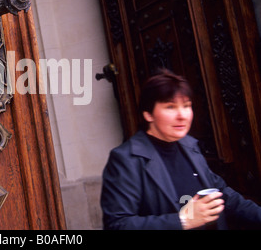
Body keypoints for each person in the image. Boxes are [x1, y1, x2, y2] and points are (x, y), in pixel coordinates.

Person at [101, 69, 261, 230]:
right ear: (148, 114)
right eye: (170, 107)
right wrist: (183, 220)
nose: (182, 115)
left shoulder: (190, 146)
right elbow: (118, 225)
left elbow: (223, 195)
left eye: (186, 105)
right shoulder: (125, 159)